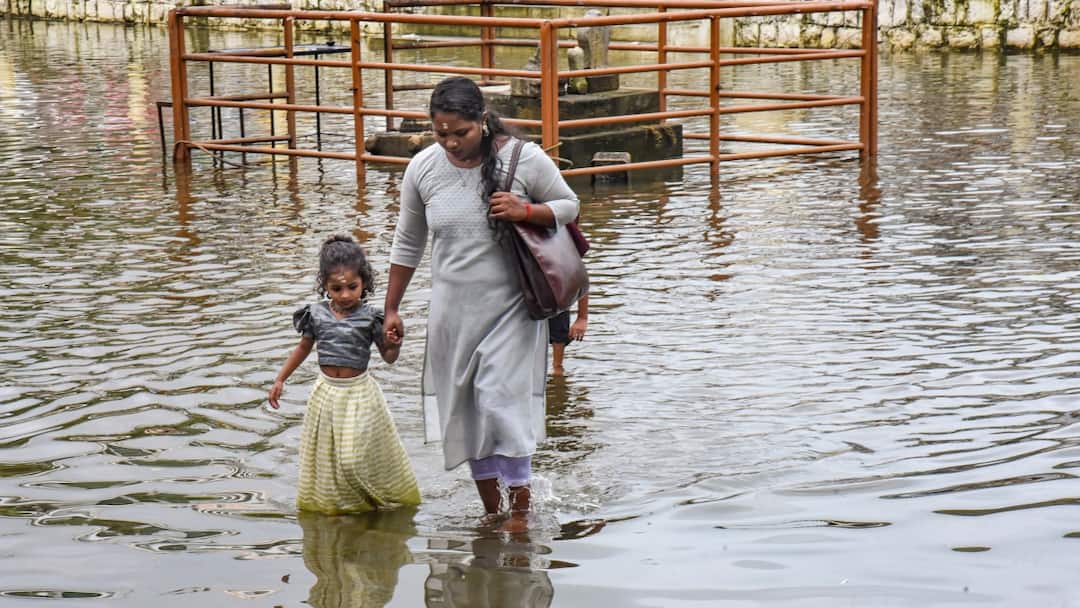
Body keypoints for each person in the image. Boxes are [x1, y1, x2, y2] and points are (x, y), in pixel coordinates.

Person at [383, 76, 580, 533]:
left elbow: (569, 205)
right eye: (441, 133)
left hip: (512, 307)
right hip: (452, 310)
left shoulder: (522, 159)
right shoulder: (423, 169)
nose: (451, 142)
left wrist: (526, 210)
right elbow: (407, 242)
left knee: (499, 402)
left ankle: (521, 511)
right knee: (468, 412)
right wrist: (393, 308)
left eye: (461, 133)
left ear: (483, 122)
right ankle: (492, 512)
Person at [269, 234, 421, 515]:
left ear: (364, 283)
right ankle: (343, 509)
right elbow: (303, 348)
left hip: (359, 394)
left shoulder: (370, 317)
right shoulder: (315, 314)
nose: (346, 295)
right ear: (325, 287)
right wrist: (281, 379)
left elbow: (388, 358)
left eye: (352, 287)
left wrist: (395, 344)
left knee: (352, 459)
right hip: (326, 394)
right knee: (330, 459)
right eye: (337, 289)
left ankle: (375, 500)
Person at [548, 294, 589, 376]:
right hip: (521, 300)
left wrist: (582, 317)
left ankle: (558, 374)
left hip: (556, 298)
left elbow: (582, 282)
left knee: (557, 370)